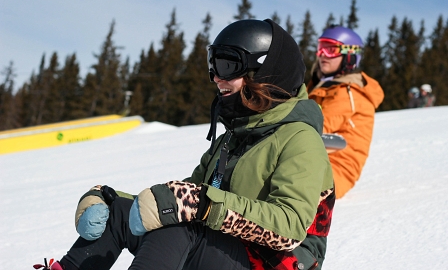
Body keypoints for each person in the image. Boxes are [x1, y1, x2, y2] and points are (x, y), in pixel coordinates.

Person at [35, 19, 334, 270]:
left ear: (268, 74)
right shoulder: (232, 137)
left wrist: (201, 205)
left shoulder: (300, 139)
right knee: (120, 215)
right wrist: (113, 200)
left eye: (228, 65)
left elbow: (289, 226)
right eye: (213, 64)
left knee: (180, 225)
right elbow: (181, 200)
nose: (216, 76)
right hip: (223, 249)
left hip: (274, 262)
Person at [306, 25, 384, 199]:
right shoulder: (321, 86)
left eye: (331, 49)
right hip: (313, 165)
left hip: (332, 174)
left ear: (350, 55)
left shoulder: (349, 92)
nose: (323, 55)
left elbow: (317, 129)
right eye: (321, 48)